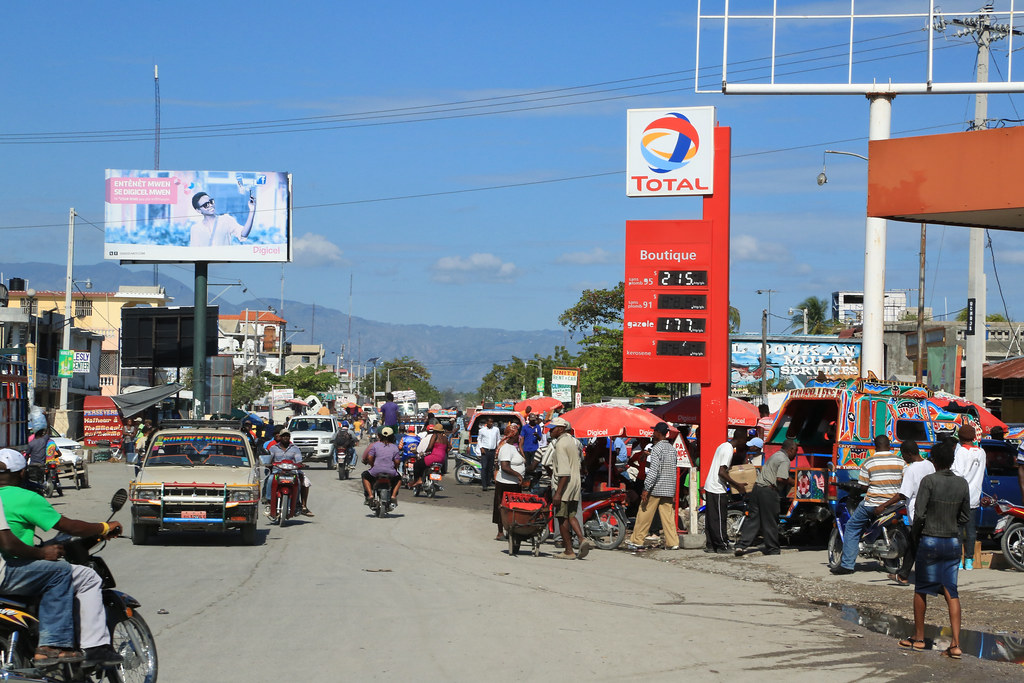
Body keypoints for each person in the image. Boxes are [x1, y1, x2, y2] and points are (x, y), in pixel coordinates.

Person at [0, 450, 124, 666]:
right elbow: (70, 526)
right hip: (9, 569)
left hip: (14, 564)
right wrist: (104, 527)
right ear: (21, 473)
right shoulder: (26, 498)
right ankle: (72, 646)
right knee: (76, 575)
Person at [898, 439, 970, 659]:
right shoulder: (962, 483)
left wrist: (917, 533)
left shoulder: (928, 481)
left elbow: (919, 514)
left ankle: (919, 639)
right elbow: (965, 516)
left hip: (929, 540)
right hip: (952, 542)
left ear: (934, 461)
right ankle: (956, 645)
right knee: (951, 592)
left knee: (921, 588)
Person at [833, 435, 904, 575]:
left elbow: (864, 487)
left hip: (873, 503)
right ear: (890, 446)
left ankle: (847, 565)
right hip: (896, 503)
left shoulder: (869, 462)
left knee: (852, 527)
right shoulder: (900, 461)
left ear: (875, 446)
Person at [873, 440, 934, 585]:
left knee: (914, 544)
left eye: (903, 454)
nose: (903, 457)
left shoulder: (910, 470)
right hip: (929, 510)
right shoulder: (930, 465)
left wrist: (883, 506)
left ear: (909, 453)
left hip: (916, 511)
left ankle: (907, 575)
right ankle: (904, 574)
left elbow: (903, 494)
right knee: (915, 543)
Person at [735, 438, 798, 557]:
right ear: (791, 449)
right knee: (770, 520)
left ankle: (741, 546)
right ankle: (773, 548)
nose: (795, 454)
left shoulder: (775, 455)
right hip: (769, 491)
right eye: (796, 451)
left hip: (757, 488)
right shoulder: (784, 460)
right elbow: (781, 478)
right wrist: (794, 482)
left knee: (753, 518)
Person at [625, 422, 680, 552]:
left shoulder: (656, 449)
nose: (652, 433)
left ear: (658, 433)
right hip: (668, 487)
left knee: (644, 513)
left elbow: (654, 470)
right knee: (668, 517)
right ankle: (673, 542)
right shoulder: (672, 449)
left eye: (654, 431)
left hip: (655, 488)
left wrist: (646, 489)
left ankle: (637, 540)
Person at [549, 417, 592, 560]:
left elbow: (564, 472)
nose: (550, 431)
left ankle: (568, 550)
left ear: (560, 429)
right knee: (571, 515)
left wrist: (558, 494)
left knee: (561, 518)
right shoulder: (572, 441)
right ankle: (581, 538)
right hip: (575, 483)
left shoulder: (561, 444)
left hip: (565, 485)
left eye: (553, 428)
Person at [702, 430, 749, 554]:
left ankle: (711, 544)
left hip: (710, 485)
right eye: (745, 440)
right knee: (719, 518)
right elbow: (721, 472)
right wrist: (737, 485)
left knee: (711, 518)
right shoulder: (728, 450)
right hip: (717, 487)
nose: (745, 443)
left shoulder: (723, 445)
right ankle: (722, 545)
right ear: (741, 439)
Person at [951, 425, 986, 571]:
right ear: (973, 437)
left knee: (958, 530)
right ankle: (969, 561)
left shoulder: (961, 452)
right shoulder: (982, 452)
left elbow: (957, 473)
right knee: (971, 531)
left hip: (960, 496)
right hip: (974, 497)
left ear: (960, 438)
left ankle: (958, 560)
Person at [493, 424, 529, 540]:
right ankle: (500, 532)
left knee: (513, 508)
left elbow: (523, 460)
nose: (519, 436)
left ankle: (512, 530)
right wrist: (518, 475)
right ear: (513, 436)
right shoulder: (506, 448)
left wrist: (520, 446)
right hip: (505, 483)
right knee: (502, 507)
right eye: (518, 434)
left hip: (514, 484)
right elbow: (505, 466)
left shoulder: (514, 447)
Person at [268, 431, 313, 518]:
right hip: (277, 471)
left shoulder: (295, 448)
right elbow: (269, 459)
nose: (285, 438)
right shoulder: (273, 448)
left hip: (292, 472)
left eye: (287, 436)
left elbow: (298, 460)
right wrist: (269, 463)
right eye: (283, 436)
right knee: (270, 479)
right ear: (280, 437)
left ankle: (297, 503)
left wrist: (300, 464)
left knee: (299, 483)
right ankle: (269, 501)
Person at [189, 190, 256, 247]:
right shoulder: (196, 228)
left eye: (211, 201)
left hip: (224, 261)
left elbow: (243, 234)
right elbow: (195, 251)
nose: (211, 205)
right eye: (206, 205)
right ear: (198, 210)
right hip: (206, 262)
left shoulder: (226, 220)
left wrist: (252, 210)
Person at [361, 427, 402, 507]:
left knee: (365, 476)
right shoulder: (394, 447)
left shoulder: (375, 445)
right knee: (399, 479)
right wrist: (395, 468)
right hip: (391, 472)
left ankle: (370, 495)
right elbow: (397, 461)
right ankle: (393, 496)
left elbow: (369, 458)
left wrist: (373, 466)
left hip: (376, 471)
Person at [411, 424, 448, 491]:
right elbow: (449, 448)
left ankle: (419, 480)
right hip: (442, 459)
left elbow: (430, 447)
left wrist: (425, 452)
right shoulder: (445, 438)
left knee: (417, 464)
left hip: (434, 457)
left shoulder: (435, 436)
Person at [477, 417, 501, 492]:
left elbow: (498, 439)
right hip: (485, 450)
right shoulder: (482, 430)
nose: (491, 423)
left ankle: (488, 482)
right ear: (486, 422)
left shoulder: (496, 430)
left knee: (490, 468)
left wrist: (498, 448)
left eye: (492, 422)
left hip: (492, 450)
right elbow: (479, 439)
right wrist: (481, 448)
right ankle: (484, 485)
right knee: (484, 467)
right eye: (489, 422)